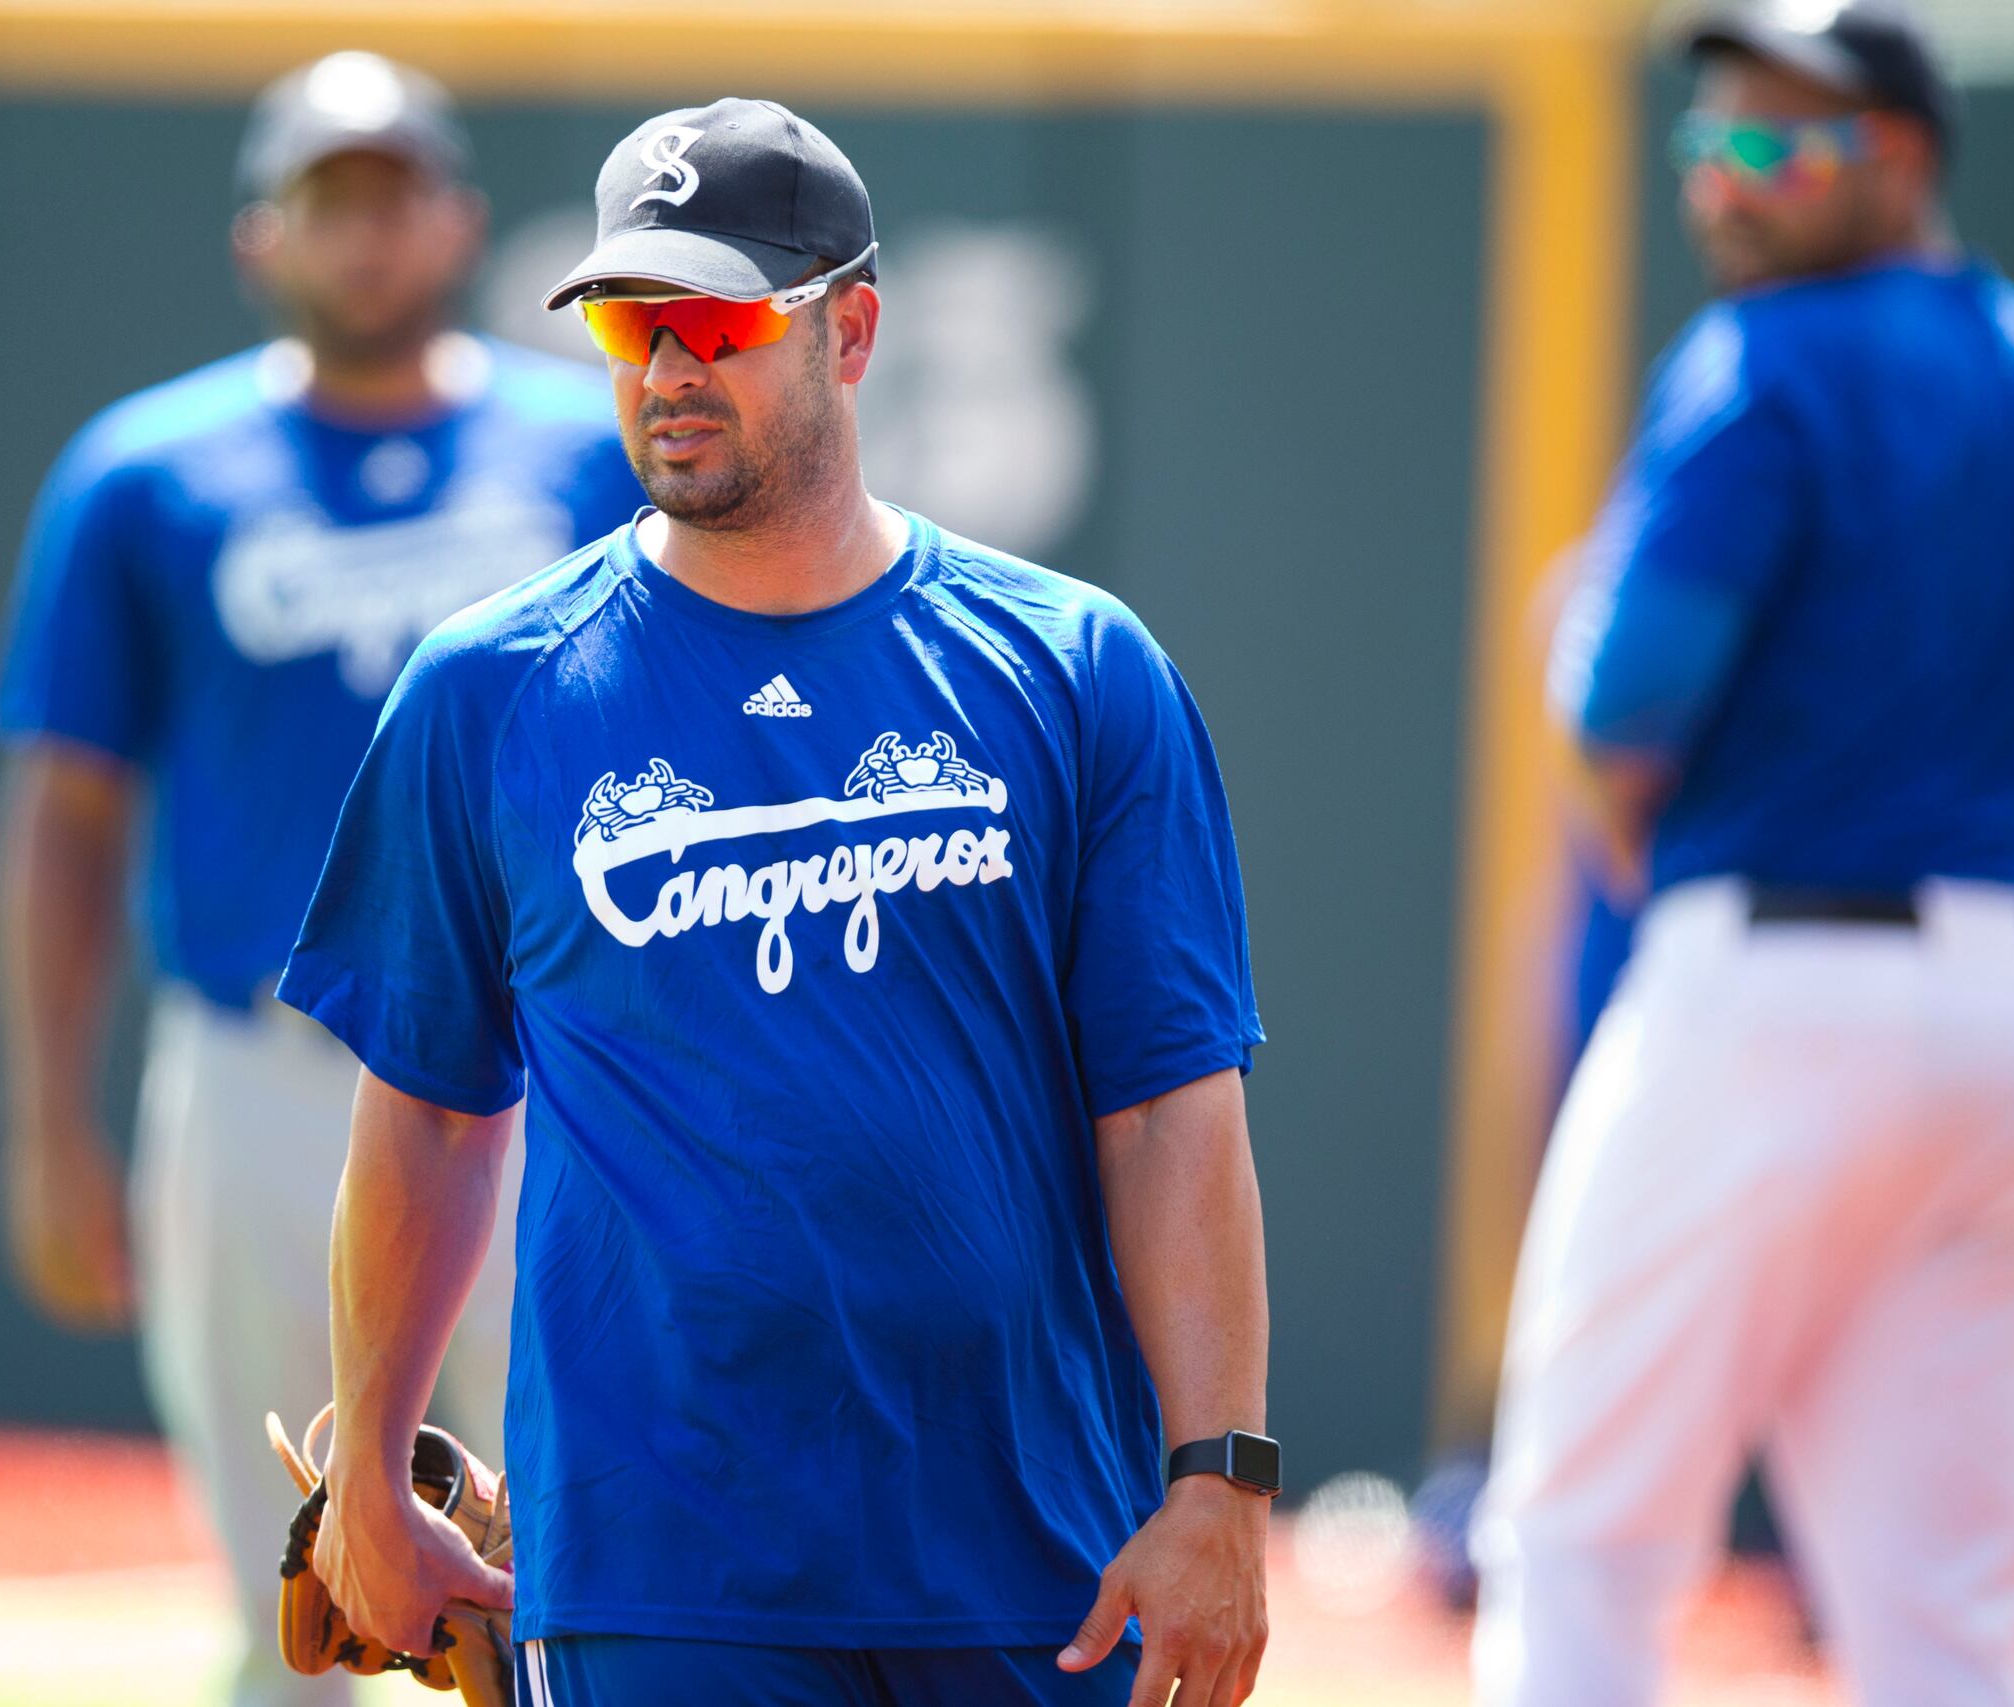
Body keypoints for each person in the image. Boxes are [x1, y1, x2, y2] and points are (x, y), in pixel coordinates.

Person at [276, 98, 1277, 1707]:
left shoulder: (1078, 672)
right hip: (660, 1571)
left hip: (1032, 1554)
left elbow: (1170, 1114)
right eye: (629, 319)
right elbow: (427, 1121)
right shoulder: (488, 692)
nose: (670, 366)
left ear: (854, 330)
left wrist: (1218, 1478)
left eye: (723, 318)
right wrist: (375, 1473)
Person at [1472, 4, 2014, 1704]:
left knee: (1580, 1538)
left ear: (1908, 156)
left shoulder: (1766, 361)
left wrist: (1575, 667)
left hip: (1782, 992)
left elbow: (1623, 699)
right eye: (1710, 141)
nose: (1730, 180)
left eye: (1784, 143)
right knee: (1945, 1619)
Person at [0, 52, 644, 1707]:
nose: (368, 238)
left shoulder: (587, 451)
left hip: (550, 1066)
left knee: (592, 1570)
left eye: (396, 196)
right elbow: (68, 811)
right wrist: (51, 1120)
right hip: (258, 1072)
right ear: (262, 237)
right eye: (331, 202)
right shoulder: (148, 473)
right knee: (291, 1590)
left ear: (462, 223)